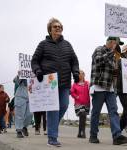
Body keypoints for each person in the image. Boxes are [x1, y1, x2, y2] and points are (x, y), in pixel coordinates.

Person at [31, 18, 79, 146]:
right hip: (48, 83)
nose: (58, 28)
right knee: (53, 109)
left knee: (63, 105)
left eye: (60, 27)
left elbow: (74, 61)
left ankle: (51, 127)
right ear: (50, 29)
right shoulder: (43, 44)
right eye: (55, 26)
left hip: (64, 82)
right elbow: (34, 61)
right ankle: (52, 138)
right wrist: (37, 71)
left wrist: (75, 72)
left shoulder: (67, 45)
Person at [89, 37, 127, 145]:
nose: (118, 46)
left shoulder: (115, 56)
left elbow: (114, 74)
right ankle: (93, 136)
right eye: (117, 43)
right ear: (111, 42)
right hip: (99, 86)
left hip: (110, 89)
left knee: (114, 112)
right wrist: (112, 52)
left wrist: (117, 67)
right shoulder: (99, 49)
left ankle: (117, 136)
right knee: (96, 113)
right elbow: (98, 61)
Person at [71, 70, 90, 138]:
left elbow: (90, 90)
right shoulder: (75, 84)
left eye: (82, 74)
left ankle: (79, 132)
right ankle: (83, 132)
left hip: (86, 103)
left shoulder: (87, 83)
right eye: (79, 74)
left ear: (84, 75)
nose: (81, 75)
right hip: (78, 103)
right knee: (82, 114)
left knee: (83, 117)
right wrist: (77, 96)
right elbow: (72, 92)